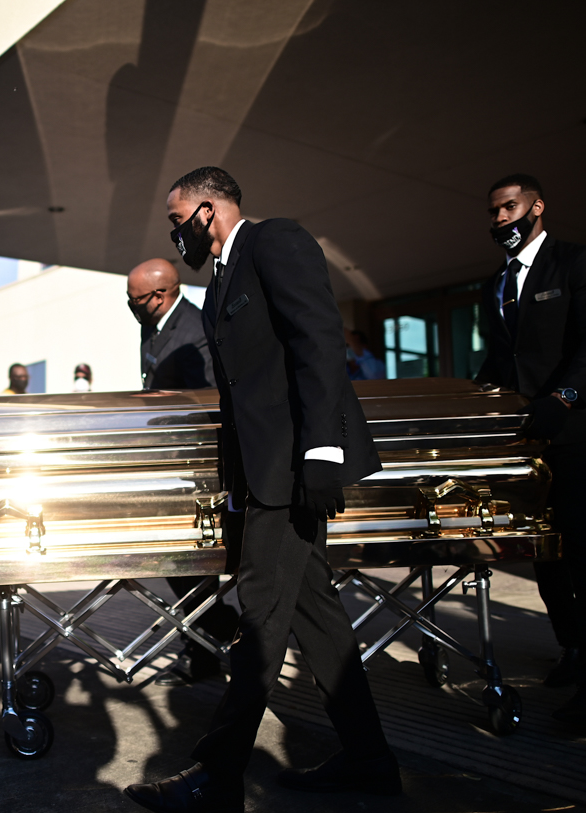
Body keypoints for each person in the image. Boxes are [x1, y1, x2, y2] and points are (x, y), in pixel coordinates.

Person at [125, 168, 395, 813]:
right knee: (315, 615)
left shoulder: (275, 240)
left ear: (208, 209)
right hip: (266, 472)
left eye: (177, 220)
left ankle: (217, 776)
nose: (175, 234)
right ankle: (371, 762)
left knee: (261, 614)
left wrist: (322, 450)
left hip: (297, 467)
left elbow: (318, 340)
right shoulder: (220, 281)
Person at [474, 174, 586, 730]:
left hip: (578, 431)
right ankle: (573, 648)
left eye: (509, 208)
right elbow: (501, 358)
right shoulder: (496, 282)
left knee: (585, 554)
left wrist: (565, 397)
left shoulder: (579, 262)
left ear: (537, 207)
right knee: (543, 554)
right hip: (527, 439)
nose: (500, 219)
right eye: (494, 212)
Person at [126, 257, 236, 688]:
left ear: (159, 295)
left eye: (135, 299)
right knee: (180, 562)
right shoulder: (154, 325)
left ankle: (216, 636)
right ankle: (211, 637)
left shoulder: (194, 331)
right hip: (170, 460)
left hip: (198, 464)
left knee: (187, 557)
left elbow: (207, 401)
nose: (131, 306)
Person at [128, 258, 214, 390]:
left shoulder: (198, 334)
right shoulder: (150, 319)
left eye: (135, 300)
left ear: (158, 298)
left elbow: (205, 396)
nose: (132, 304)